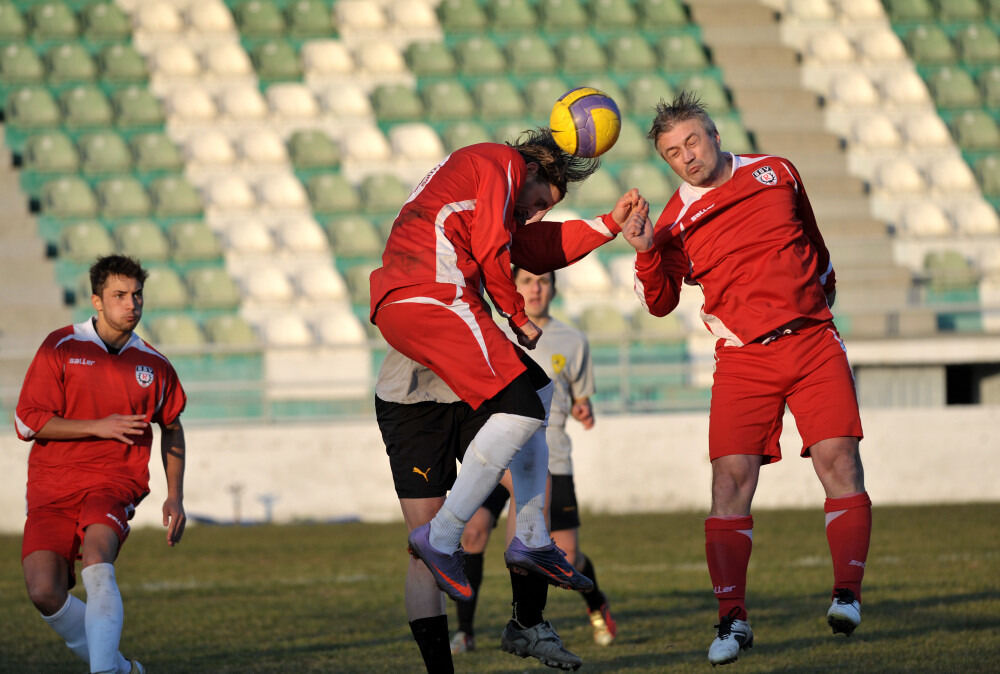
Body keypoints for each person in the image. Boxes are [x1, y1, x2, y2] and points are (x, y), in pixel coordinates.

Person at [371, 129, 648, 672]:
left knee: (537, 395)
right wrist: (517, 316)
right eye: (541, 203)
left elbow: (532, 248)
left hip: (431, 308)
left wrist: (609, 226)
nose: (538, 216)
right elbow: (501, 252)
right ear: (534, 172)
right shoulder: (498, 163)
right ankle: (449, 538)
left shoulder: (489, 195)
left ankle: (529, 554)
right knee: (521, 411)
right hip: (428, 306)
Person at [626, 92, 871, 666]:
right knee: (729, 484)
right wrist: (643, 251)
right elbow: (659, 303)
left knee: (840, 462)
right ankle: (732, 621)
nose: (686, 156)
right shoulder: (674, 221)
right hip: (743, 360)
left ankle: (847, 595)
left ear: (713, 133)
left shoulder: (777, 171)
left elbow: (813, 240)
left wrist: (819, 295)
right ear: (667, 163)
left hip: (813, 342)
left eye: (691, 141)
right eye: (672, 153)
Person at [14, 254, 187, 674]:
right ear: (96, 300)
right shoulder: (61, 346)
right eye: (119, 295)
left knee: (97, 559)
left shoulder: (155, 365)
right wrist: (99, 426)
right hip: (51, 487)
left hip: (113, 483)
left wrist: (175, 496)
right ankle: (124, 671)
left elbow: (173, 427)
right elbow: (26, 421)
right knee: (43, 591)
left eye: (137, 295)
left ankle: (105, 672)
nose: (131, 304)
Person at [449, 267, 616, 656]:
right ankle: (464, 632)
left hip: (549, 459)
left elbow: (580, 399)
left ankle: (596, 605)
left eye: (543, 281)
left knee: (567, 556)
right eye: (526, 281)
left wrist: (582, 409)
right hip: (498, 454)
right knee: (473, 532)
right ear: (514, 288)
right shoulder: (497, 334)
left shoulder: (573, 341)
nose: (535, 288)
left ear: (554, 288)